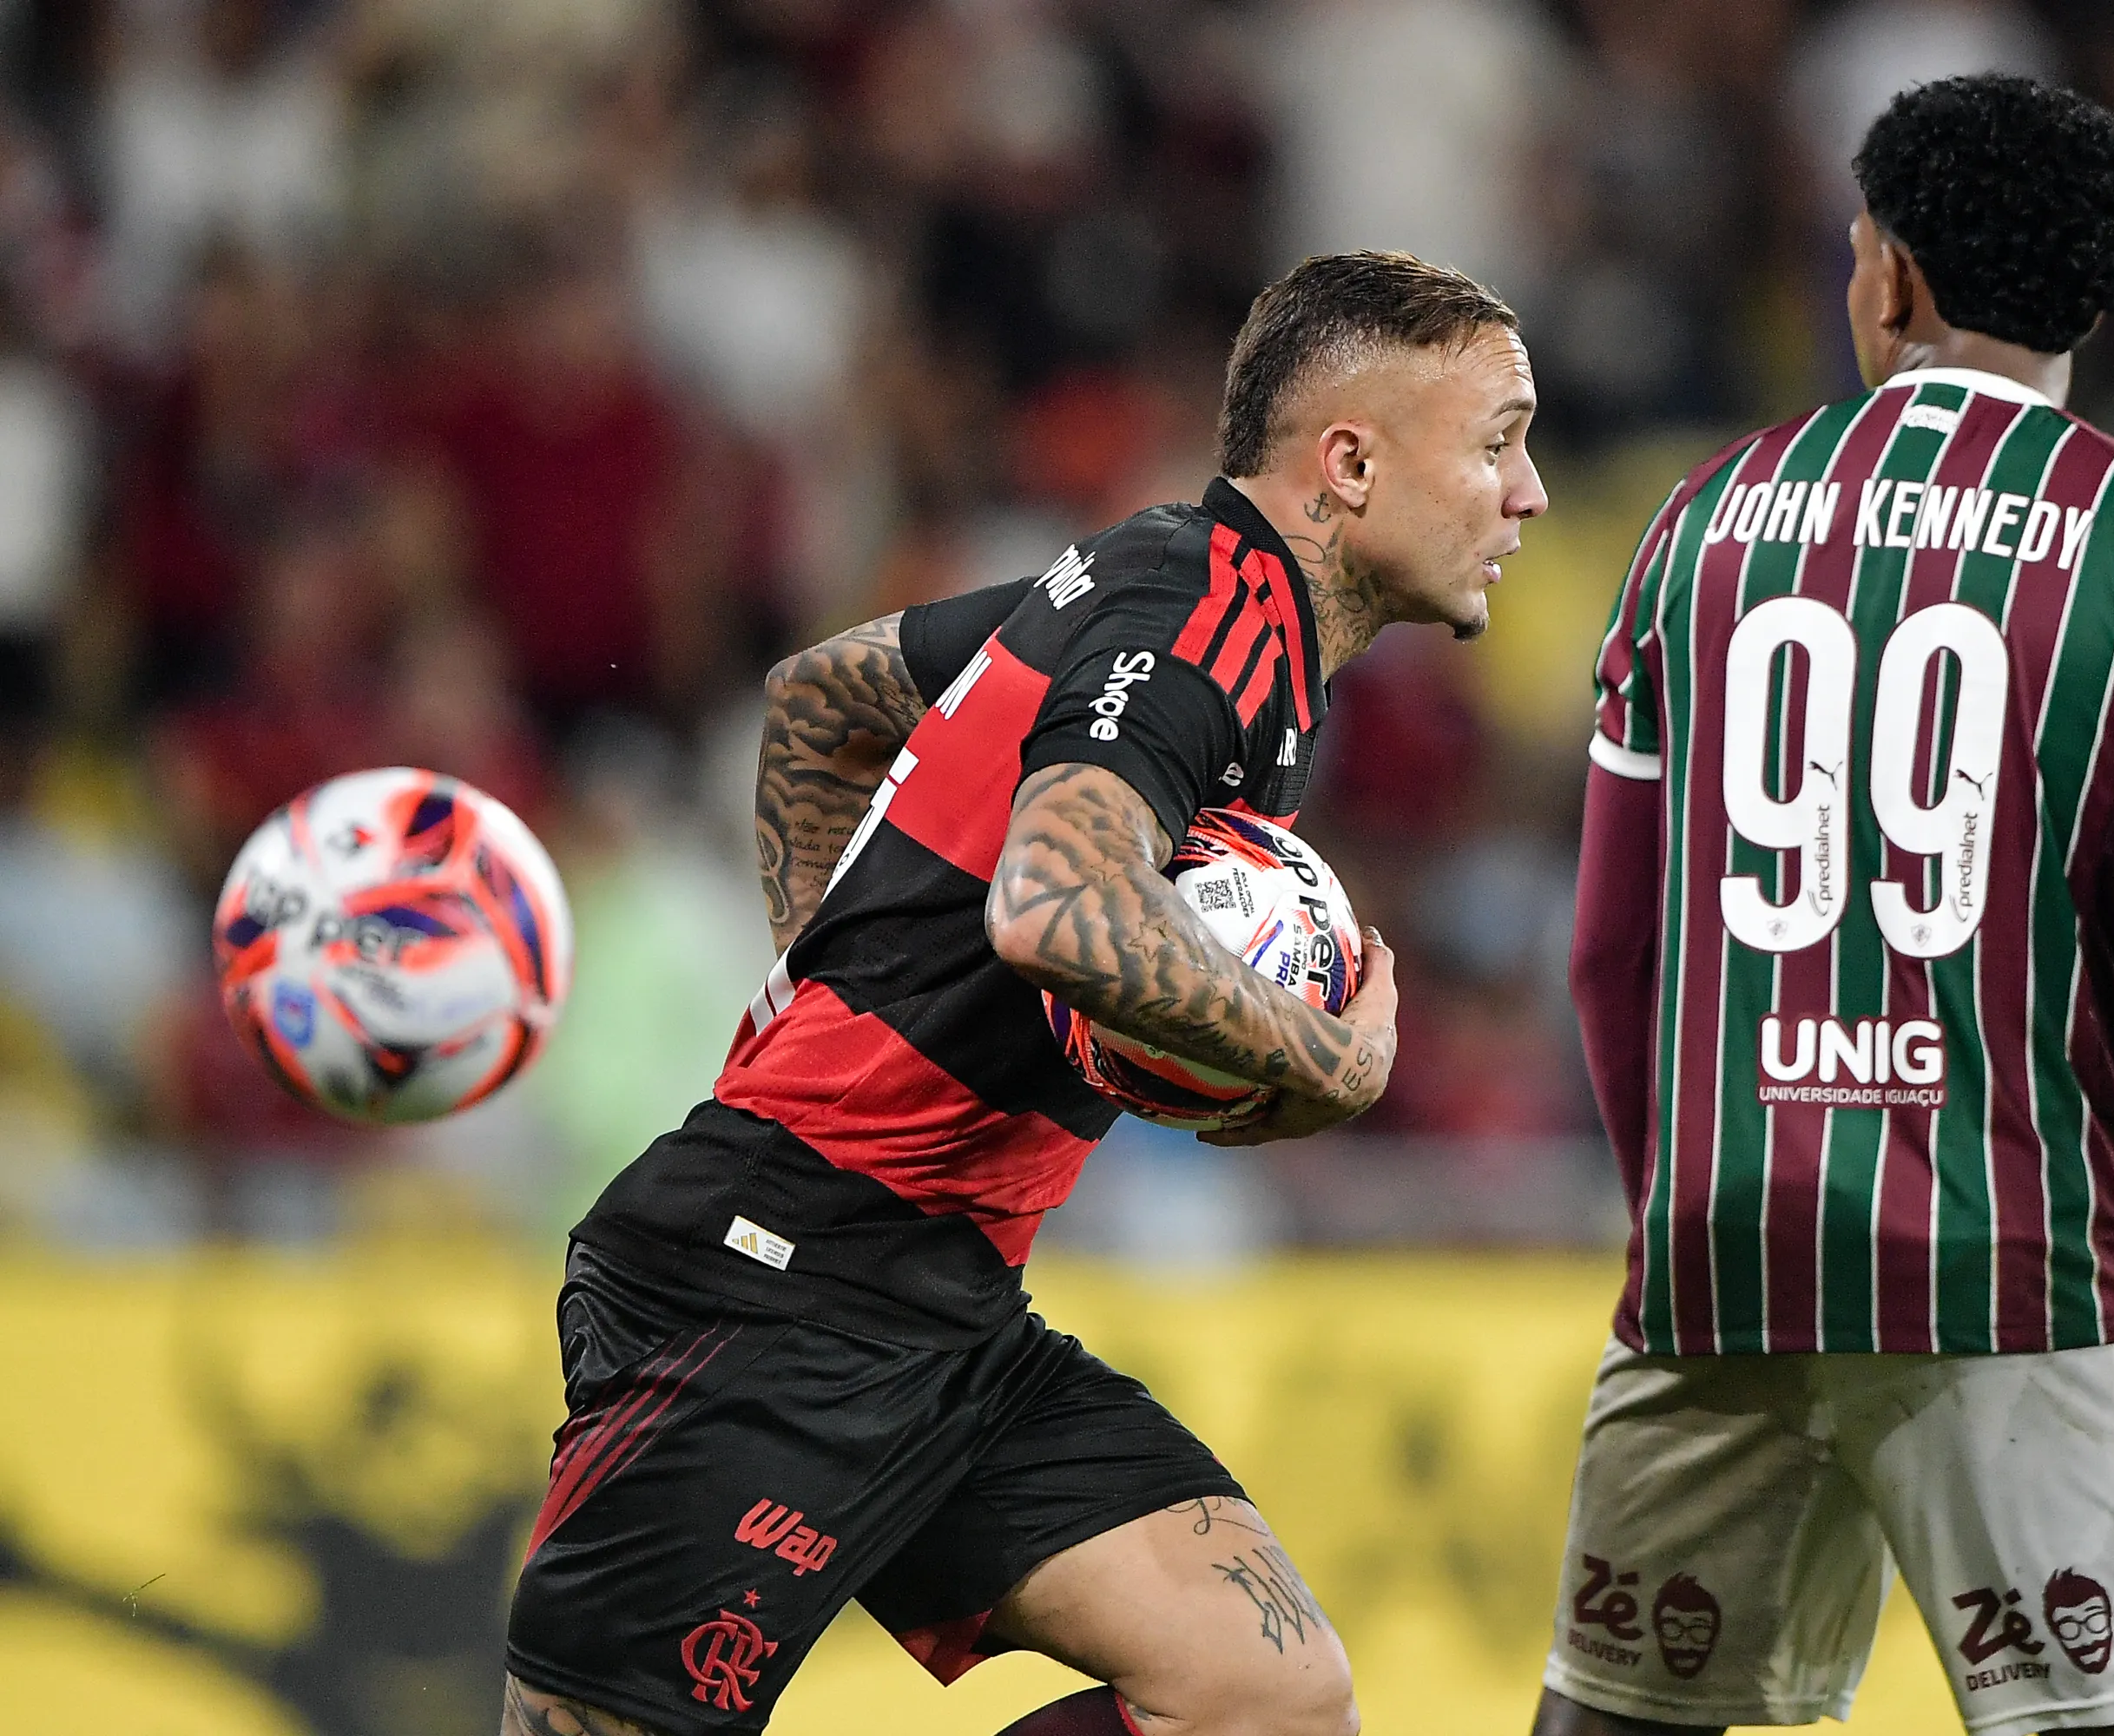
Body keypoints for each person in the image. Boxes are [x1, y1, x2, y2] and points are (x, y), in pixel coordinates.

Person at [500, 249, 1544, 1736]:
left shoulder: (1167, 586)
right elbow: (1056, 906)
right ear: (1353, 464)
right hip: (770, 1281)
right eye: (1497, 443)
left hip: (940, 1301)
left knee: (1263, 1693)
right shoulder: (1205, 619)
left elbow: (821, 698)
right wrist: (1323, 1061)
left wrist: (829, 972)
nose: (1530, 495)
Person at [1541, 76, 2114, 1736]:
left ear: (1893, 279)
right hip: (2020, 1267)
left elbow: (1612, 951)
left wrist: (1686, 1219)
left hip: (1725, 1261)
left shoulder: (1697, 521)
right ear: (2097, 301)